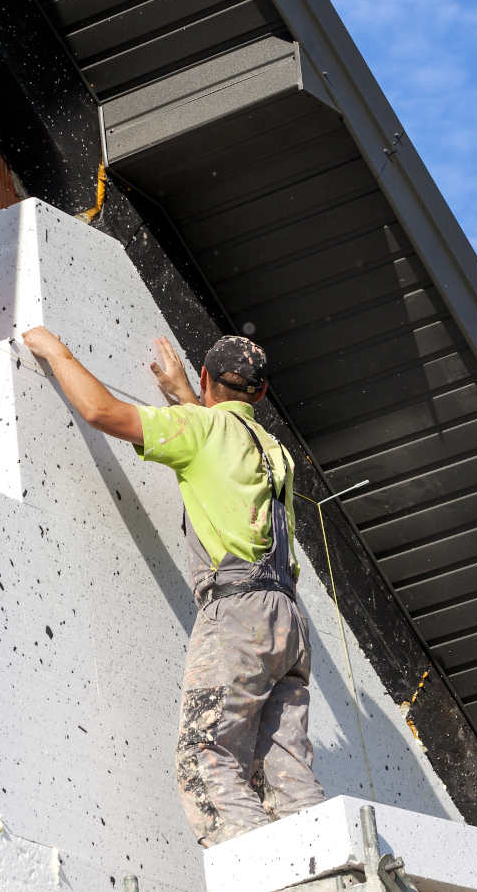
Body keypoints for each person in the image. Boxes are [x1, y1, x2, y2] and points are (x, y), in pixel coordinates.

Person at [20, 325, 324, 847]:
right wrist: (186, 394)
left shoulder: (203, 431)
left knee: (206, 755)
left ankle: (261, 878)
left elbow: (102, 413)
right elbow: (222, 441)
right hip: (287, 622)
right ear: (263, 393)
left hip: (237, 616)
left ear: (206, 378)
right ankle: (330, 865)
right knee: (286, 773)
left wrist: (56, 350)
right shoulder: (273, 449)